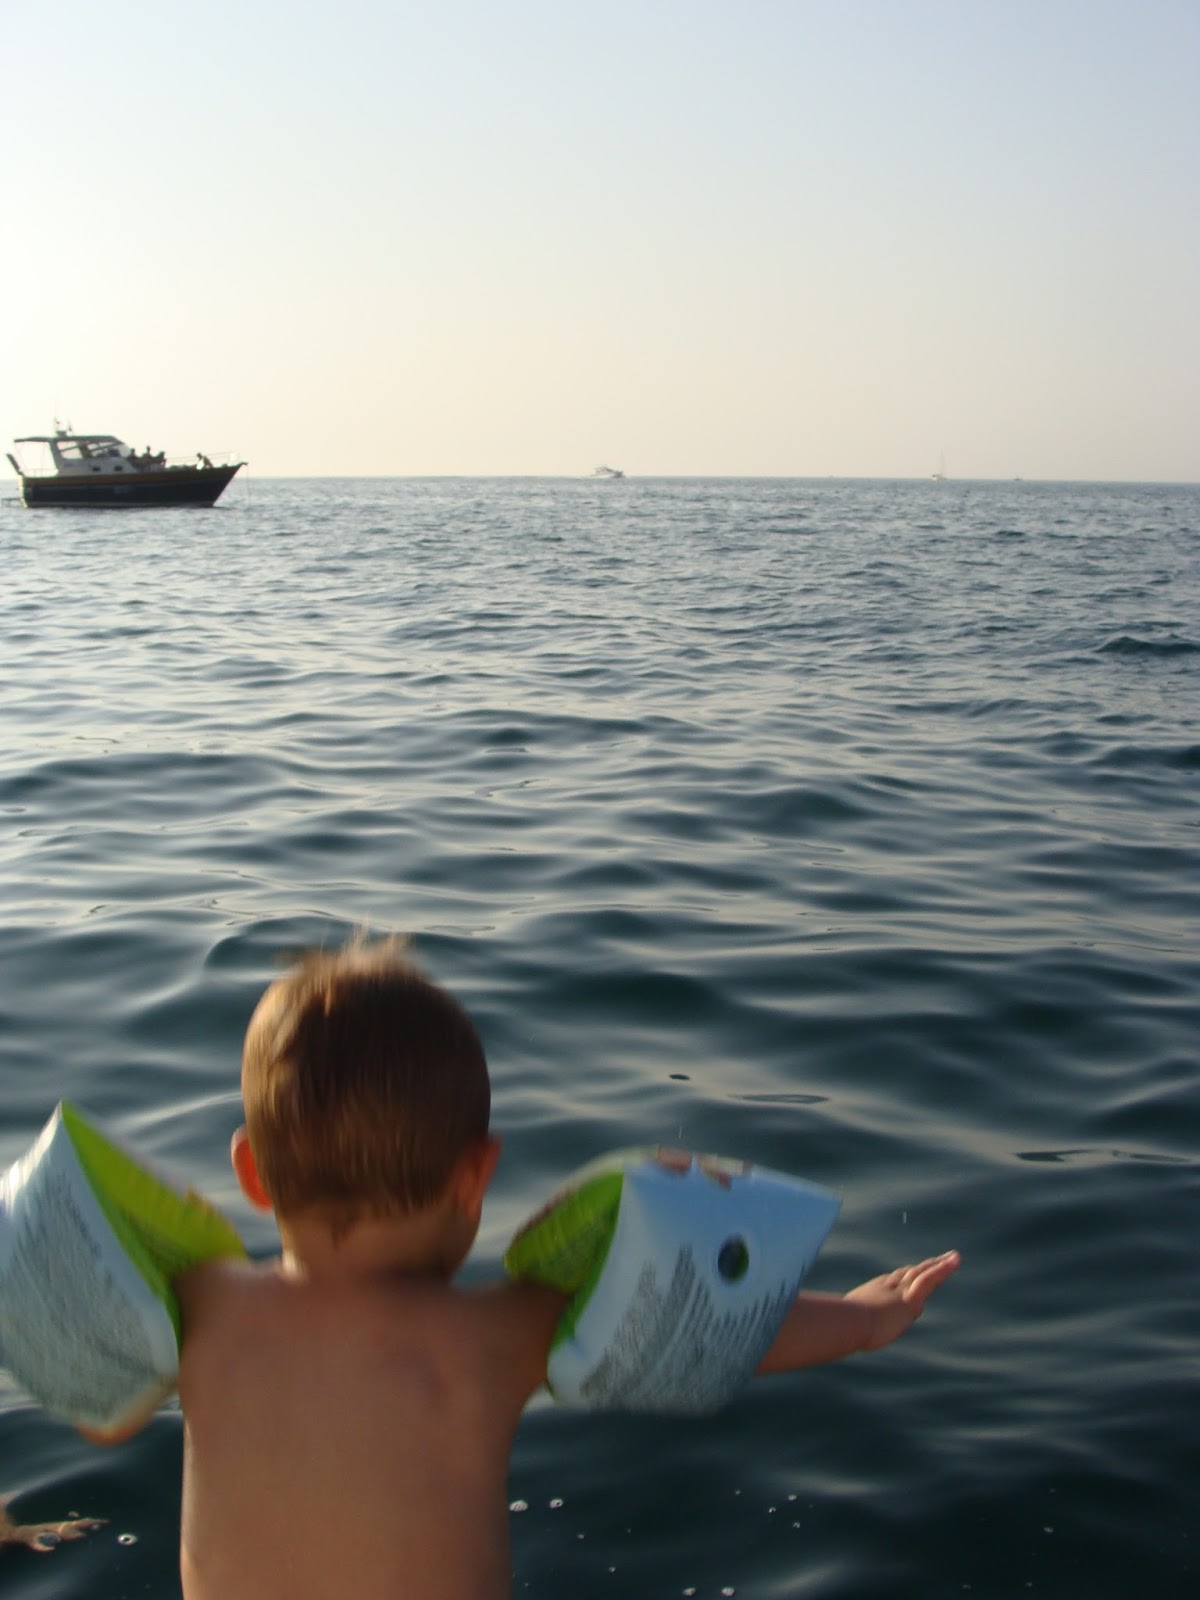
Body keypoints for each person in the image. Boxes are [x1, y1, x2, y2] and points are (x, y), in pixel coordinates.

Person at [166, 940, 959, 1600]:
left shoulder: (199, 1308)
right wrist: (863, 1319)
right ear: (475, 1177)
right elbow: (700, 1324)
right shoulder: (491, 1337)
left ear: (251, 1174)